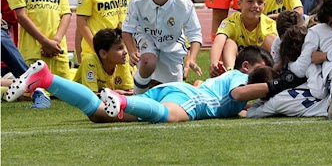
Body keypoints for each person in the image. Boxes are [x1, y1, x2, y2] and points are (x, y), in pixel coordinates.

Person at [5, 46, 284, 123]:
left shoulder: (224, 82)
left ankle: (46, 79)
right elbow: (239, 93)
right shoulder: (239, 78)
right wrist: (276, 87)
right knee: (174, 117)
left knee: (99, 114)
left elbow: (238, 104)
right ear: (247, 68)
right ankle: (125, 101)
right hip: (189, 100)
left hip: (175, 90)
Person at [122, 0, 203, 94]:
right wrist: (132, 51)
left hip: (173, 46)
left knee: (172, 94)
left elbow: (195, 34)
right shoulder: (138, 0)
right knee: (148, 61)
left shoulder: (183, 3)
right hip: (146, 37)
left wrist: (192, 59)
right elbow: (127, 29)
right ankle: (137, 97)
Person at [209, 0, 277, 77]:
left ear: (264, 5)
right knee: (229, 43)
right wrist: (214, 62)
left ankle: (274, 73)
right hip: (238, 68)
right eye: (250, 1)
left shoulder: (270, 24)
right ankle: (230, 74)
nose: (255, 6)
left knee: (272, 39)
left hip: (261, 67)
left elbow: (279, 49)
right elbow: (218, 41)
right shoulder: (231, 22)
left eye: (260, 2)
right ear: (239, 4)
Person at [73, 28, 134, 94]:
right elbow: (91, 96)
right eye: (119, 48)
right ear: (103, 54)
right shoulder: (90, 62)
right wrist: (115, 93)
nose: (125, 52)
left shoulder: (122, 62)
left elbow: (130, 92)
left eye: (125, 47)